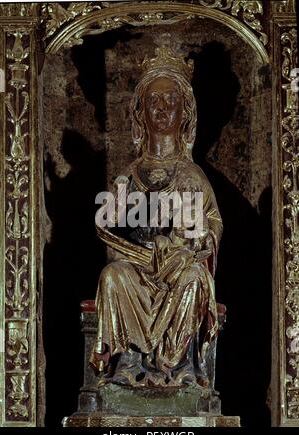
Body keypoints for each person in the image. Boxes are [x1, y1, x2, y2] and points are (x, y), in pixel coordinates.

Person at [90, 47, 223, 388]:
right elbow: (110, 237)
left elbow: (209, 231)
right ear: (140, 112)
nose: (162, 108)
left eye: (171, 99)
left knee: (193, 278)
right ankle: (129, 362)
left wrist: (185, 250)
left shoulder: (192, 177)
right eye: (154, 100)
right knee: (112, 276)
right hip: (137, 271)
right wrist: (121, 230)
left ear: (185, 111)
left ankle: (175, 368)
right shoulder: (129, 176)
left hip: (177, 274)